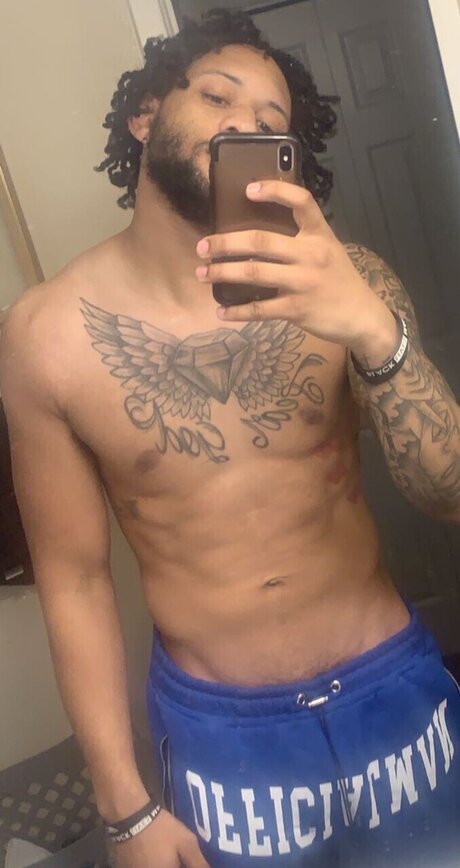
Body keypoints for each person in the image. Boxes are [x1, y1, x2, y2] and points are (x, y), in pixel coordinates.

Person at [1, 8, 460, 867]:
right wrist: (125, 811)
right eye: (217, 96)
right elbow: (74, 581)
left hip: (389, 687)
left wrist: (374, 330)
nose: (245, 122)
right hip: (224, 737)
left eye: (269, 121)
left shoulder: (352, 282)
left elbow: (451, 495)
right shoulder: (47, 337)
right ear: (146, 115)